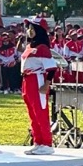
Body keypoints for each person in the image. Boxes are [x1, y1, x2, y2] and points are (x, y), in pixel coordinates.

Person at [19, 20, 58, 155]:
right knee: (32, 114)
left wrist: (46, 85)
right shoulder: (30, 45)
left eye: (31, 28)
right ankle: (38, 141)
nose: (29, 30)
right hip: (27, 80)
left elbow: (52, 68)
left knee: (40, 113)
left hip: (37, 80)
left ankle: (47, 143)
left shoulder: (42, 47)